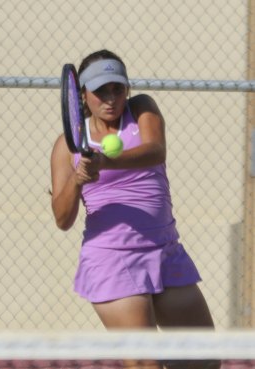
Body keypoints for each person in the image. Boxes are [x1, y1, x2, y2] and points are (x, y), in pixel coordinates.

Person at [51, 49, 221, 369]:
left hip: (165, 251)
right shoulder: (66, 145)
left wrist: (106, 160)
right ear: (82, 95)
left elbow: (155, 151)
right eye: (101, 90)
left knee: (205, 361)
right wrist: (77, 179)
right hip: (111, 259)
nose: (111, 98)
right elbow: (62, 218)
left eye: (118, 88)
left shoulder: (142, 108)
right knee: (145, 365)